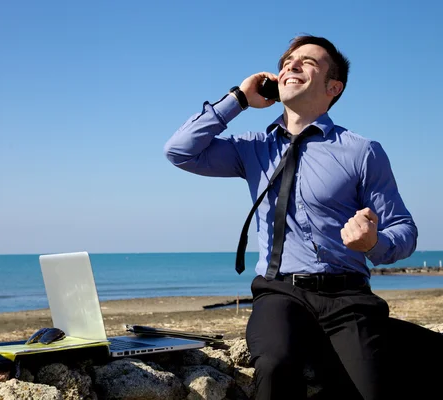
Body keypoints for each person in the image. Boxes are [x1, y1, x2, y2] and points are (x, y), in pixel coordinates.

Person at [164, 35, 418, 399]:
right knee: (275, 364)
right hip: (279, 291)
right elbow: (179, 151)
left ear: (334, 87)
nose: (290, 66)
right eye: (286, 61)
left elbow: (404, 229)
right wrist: (238, 99)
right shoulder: (252, 148)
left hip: (347, 296)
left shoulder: (362, 152)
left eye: (307, 62)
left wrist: (374, 242)